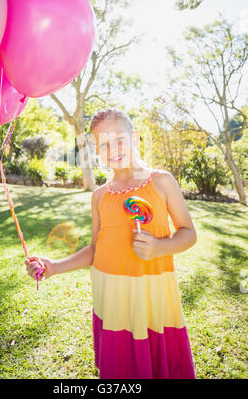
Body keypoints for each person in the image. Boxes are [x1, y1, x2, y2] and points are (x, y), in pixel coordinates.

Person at [25, 107, 197, 379]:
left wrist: (159, 247)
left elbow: (189, 233)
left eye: (119, 138)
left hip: (151, 299)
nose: (112, 148)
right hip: (113, 300)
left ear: (135, 137)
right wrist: (54, 266)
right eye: (102, 144)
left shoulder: (161, 181)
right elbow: (95, 249)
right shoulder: (100, 196)